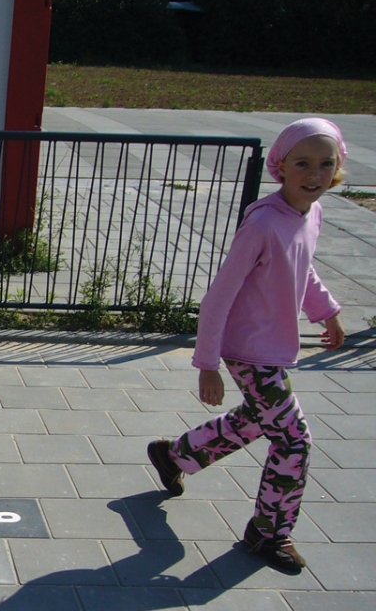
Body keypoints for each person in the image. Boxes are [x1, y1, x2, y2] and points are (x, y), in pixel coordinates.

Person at [147, 117, 348, 573]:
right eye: (303, 163)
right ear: (281, 166)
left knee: (260, 419)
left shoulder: (309, 213)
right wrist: (207, 362)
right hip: (247, 351)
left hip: (274, 348)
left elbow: (303, 269)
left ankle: (176, 454)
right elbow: (220, 295)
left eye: (325, 164)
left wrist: (328, 310)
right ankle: (268, 534)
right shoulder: (262, 224)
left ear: (337, 168)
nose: (314, 175)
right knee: (294, 441)